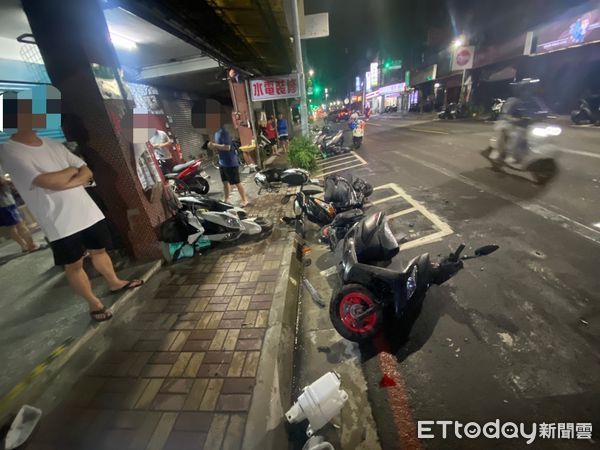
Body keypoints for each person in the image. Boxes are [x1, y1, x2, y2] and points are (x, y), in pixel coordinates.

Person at [0, 101, 143, 322]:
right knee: (74, 264)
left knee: (100, 251)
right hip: (58, 219)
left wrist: (66, 179)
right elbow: (46, 180)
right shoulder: (9, 149)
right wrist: (70, 172)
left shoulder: (52, 144)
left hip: (86, 211)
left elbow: (86, 170)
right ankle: (93, 303)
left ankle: (115, 282)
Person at [208, 127, 250, 207]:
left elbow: (227, 147)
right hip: (222, 162)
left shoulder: (224, 132)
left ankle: (245, 200)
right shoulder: (216, 133)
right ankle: (226, 200)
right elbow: (219, 146)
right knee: (225, 182)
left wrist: (214, 145)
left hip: (230, 162)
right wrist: (213, 146)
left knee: (237, 182)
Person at [0, 173, 39, 253]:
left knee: (13, 227)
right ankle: (31, 246)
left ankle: (24, 245)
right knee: (21, 226)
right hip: (6, 204)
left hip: (4, 204)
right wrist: (10, 180)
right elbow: (2, 181)